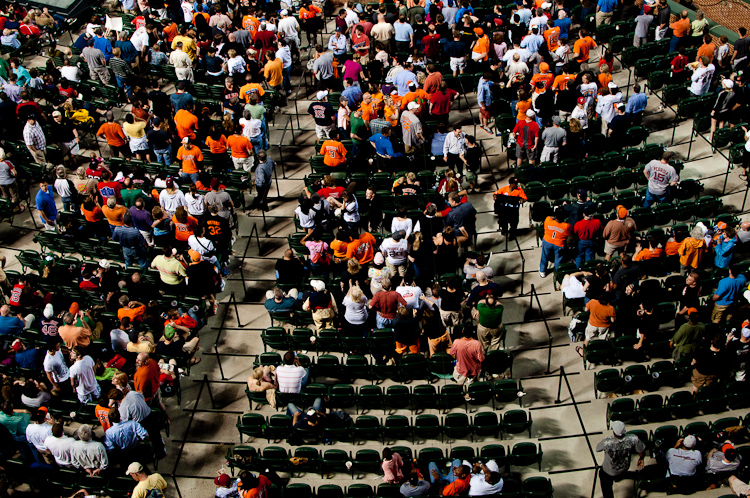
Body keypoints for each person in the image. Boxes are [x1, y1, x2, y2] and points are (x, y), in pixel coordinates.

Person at [596, 421, 646, 498]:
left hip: (609, 471)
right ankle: (618, 476)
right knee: (620, 473)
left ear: (614, 432)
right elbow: (641, 450)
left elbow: (598, 448)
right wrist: (641, 459)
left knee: (603, 478)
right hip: (624, 467)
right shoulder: (633, 438)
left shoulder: (607, 442)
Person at [540, 208, 571, 277]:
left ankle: (542, 271)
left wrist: (555, 216)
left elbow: (550, 217)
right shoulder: (567, 226)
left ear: (555, 216)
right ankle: (556, 273)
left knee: (545, 256)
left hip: (547, 242)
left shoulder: (548, 220)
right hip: (559, 244)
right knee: (558, 259)